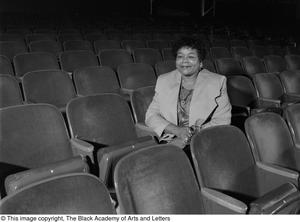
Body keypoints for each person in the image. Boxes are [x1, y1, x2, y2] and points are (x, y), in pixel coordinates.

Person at [145, 37, 232, 152]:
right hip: (170, 139)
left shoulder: (217, 82)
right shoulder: (164, 80)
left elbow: (223, 120)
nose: (184, 61)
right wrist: (176, 130)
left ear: (201, 63)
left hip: (203, 141)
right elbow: (151, 115)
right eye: (180, 56)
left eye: (191, 57)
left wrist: (188, 136)